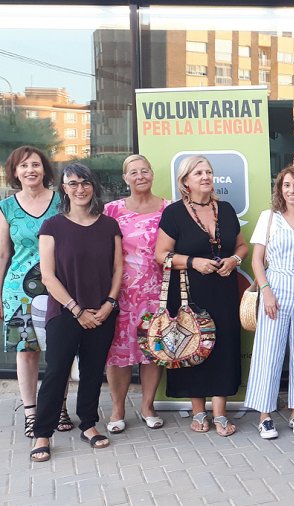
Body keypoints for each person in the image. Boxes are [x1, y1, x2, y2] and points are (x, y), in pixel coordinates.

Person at [30, 163, 123, 462]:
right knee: (57, 372)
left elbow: (118, 268)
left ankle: (89, 424)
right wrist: (76, 309)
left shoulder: (109, 225)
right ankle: (43, 433)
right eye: (73, 183)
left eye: (85, 183)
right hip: (65, 312)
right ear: (64, 189)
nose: (80, 189)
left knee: (93, 372)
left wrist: (109, 303)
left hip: (103, 312)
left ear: (93, 186)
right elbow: (48, 276)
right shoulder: (52, 227)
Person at [154, 155, 248, 437]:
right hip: (187, 292)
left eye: (208, 172)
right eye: (198, 173)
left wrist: (233, 260)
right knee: (193, 347)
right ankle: (198, 411)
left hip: (223, 289)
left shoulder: (227, 210)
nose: (206, 177)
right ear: (185, 181)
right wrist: (194, 262)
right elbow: (161, 255)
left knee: (224, 348)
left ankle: (220, 414)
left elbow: (241, 246)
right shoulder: (174, 213)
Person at [244, 165, 294, 439]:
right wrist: (266, 291)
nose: (292, 190)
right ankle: (265, 416)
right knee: (268, 352)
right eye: (287, 185)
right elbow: (256, 259)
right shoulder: (269, 217)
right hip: (276, 285)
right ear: (280, 188)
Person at [0, 146, 70, 439]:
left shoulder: (61, 202)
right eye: (24, 166)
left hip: (60, 288)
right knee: (26, 352)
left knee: (60, 352)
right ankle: (31, 412)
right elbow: (3, 254)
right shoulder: (7, 207)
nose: (31, 170)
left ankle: (59, 407)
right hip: (19, 291)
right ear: (15, 172)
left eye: (36, 165)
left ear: (45, 169)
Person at [103, 155, 168, 434]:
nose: (140, 175)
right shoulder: (111, 210)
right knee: (117, 353)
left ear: (152, 174)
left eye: (145, 170)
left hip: (157, 292)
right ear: (125, 178)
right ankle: (118, 409)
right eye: (133, 172)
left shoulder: (169, 208)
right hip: (120, 292)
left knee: (153, 350)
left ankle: (147, 406)